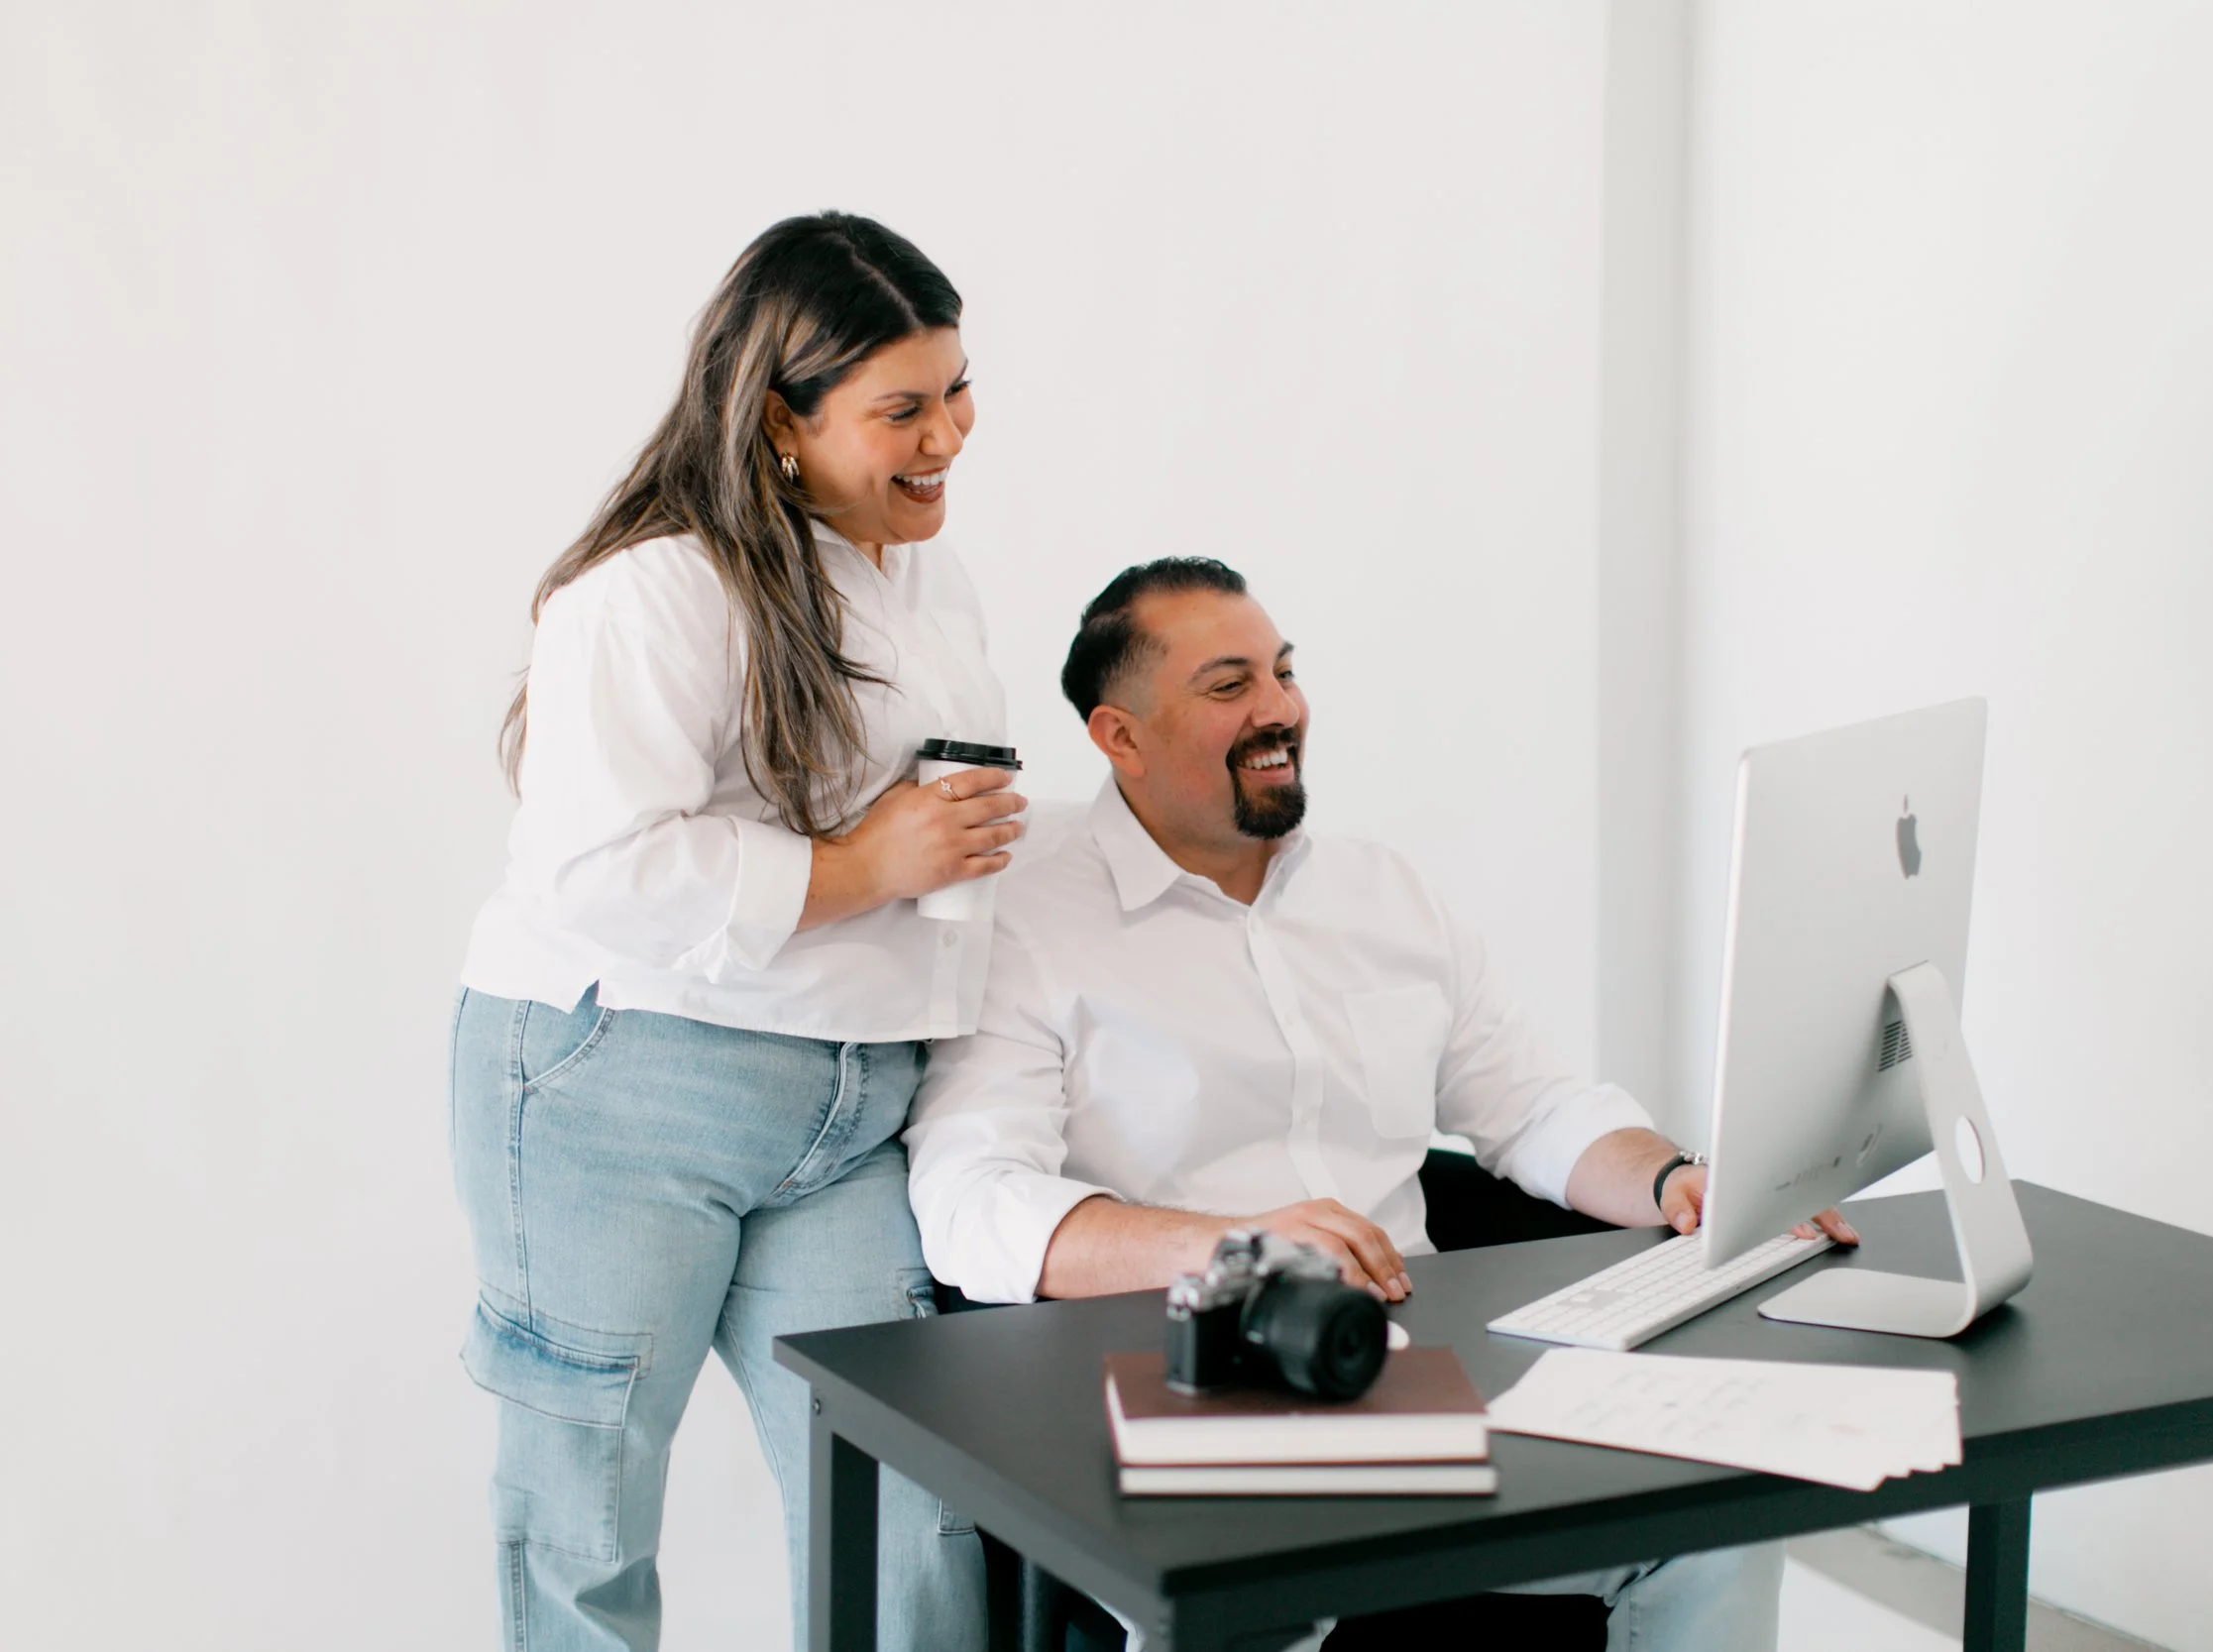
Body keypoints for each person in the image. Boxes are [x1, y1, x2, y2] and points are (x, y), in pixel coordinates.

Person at [905, 557, 1859, 1650]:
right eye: (1228, 686)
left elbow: (1531, 1103)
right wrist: (1228, 1249)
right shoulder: (1025, 913)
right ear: (1119, 736)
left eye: (1284, 670)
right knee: (1245, 1585)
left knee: (1717, 1518)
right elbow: (971, 1198)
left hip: (1417, 1372)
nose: (1279, 709)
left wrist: (1673, 1177)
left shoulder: (1381, 891)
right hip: (1185, 1391)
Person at [451, 212, 1023, 1652]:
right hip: (622, 1088)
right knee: (589, 1503)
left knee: (907, 1497)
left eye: (956, 388)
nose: (947, 433)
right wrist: (859, 861)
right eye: (901, 407)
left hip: (852, 1102)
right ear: (780, 416)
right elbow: (597, 864)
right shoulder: (653, 589)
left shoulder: (924, 573)